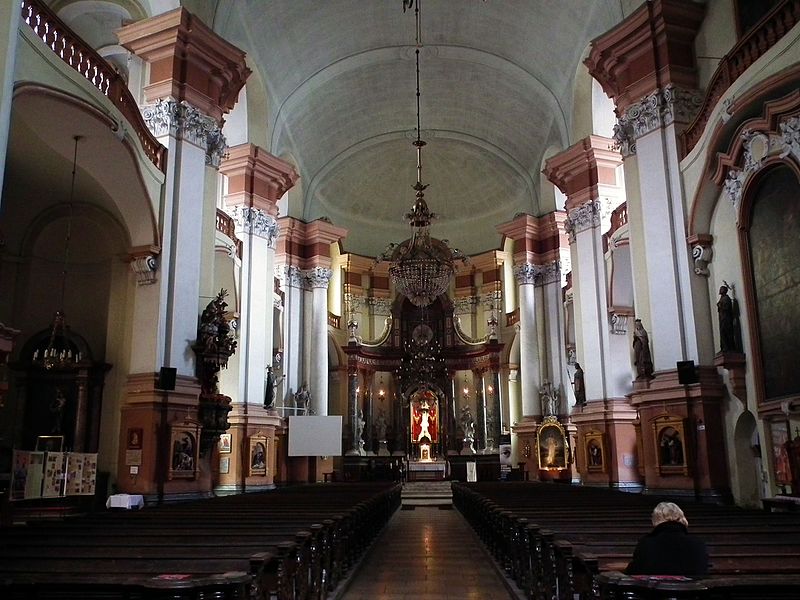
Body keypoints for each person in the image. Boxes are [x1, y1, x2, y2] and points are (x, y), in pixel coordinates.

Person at [625, 502, 708, 576]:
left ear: (655, 520)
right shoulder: (697, 543)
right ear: (682, 517)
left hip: (656, 592)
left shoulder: (646, 543)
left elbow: (634, 571)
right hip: (692, 592)